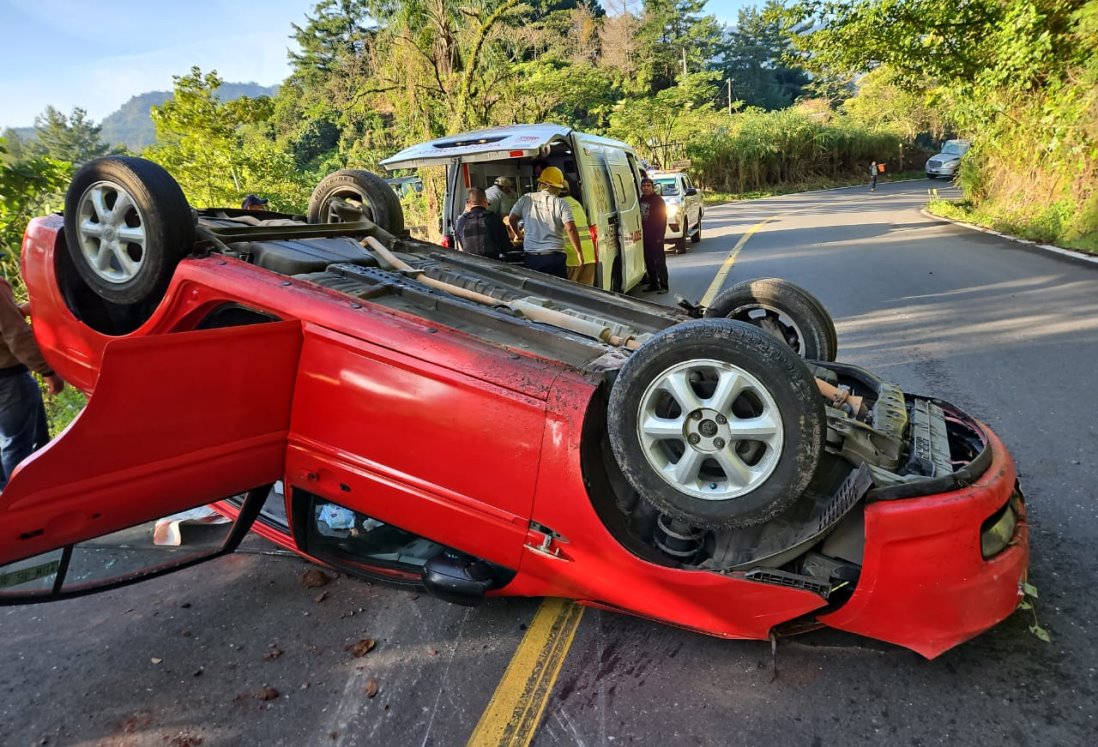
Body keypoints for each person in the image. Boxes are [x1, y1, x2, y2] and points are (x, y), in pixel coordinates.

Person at [0, 276, 64, 490]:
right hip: (8, 377)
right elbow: (16, 335)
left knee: (7, 443)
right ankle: (23, 502)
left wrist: (15, 310)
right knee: (18, 446)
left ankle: (7, 500)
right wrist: (47, 370)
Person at [507, 166, 583, 279]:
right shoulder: (561, 203)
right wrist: (579, 252)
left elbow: (511, 219)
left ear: (541, 184)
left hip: (532, 258)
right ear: (556, 187)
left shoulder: (526, 198)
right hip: (554, 257)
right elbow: (570, 228)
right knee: (558, 292)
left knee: (535, 292)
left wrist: (518, 235)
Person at [454, 187, 510, 259]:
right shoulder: (495, 219)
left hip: (471, 266)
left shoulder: (461, 221)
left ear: (468, 203)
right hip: (492, 265)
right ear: (485, 201)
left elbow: (460, 248)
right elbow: (506, 247)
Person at [561, 181, 596, 285]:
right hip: (588, 254)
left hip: (572, 256)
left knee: (571, 293)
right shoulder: (576, 203)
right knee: (587, 292)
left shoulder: (557, 205)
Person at [639, 178, 669, 294]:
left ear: (652, 187)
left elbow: (663, 219)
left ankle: (664, 285)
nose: (646, 187)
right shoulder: (640, 200)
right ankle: (653, 284)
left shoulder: (658, 200)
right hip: (645, 236)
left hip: (656, 236)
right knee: (649, 260)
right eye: (644, 185)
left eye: (648, 185)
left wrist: (660, 236)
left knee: (659, 261)